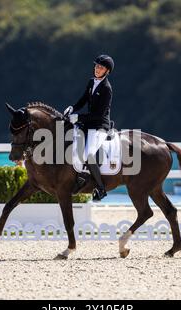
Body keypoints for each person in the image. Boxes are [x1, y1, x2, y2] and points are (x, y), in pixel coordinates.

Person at [63, 54, 114, 201]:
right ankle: (80, 178)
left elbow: (98, 114)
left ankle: (101, 188)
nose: (97, 69)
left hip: (99, 126)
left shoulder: (106, 89)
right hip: (87, 124)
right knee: (72, 147)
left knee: (89, 154)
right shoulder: (92, 82)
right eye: (97, 66)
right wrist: (73, 108)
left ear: (107, 71)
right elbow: (83, 99)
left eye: (101, 67)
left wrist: (79, 117)